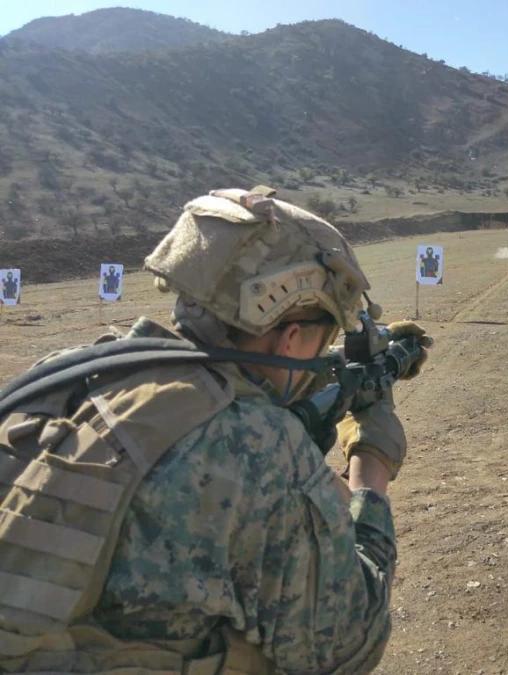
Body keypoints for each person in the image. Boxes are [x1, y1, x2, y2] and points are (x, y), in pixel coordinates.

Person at [0, 186, 430, 673]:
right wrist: (370, 470)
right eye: (322, 336)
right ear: (291, 337)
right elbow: (350, 643)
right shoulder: (255, 443)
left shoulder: (67, 374)